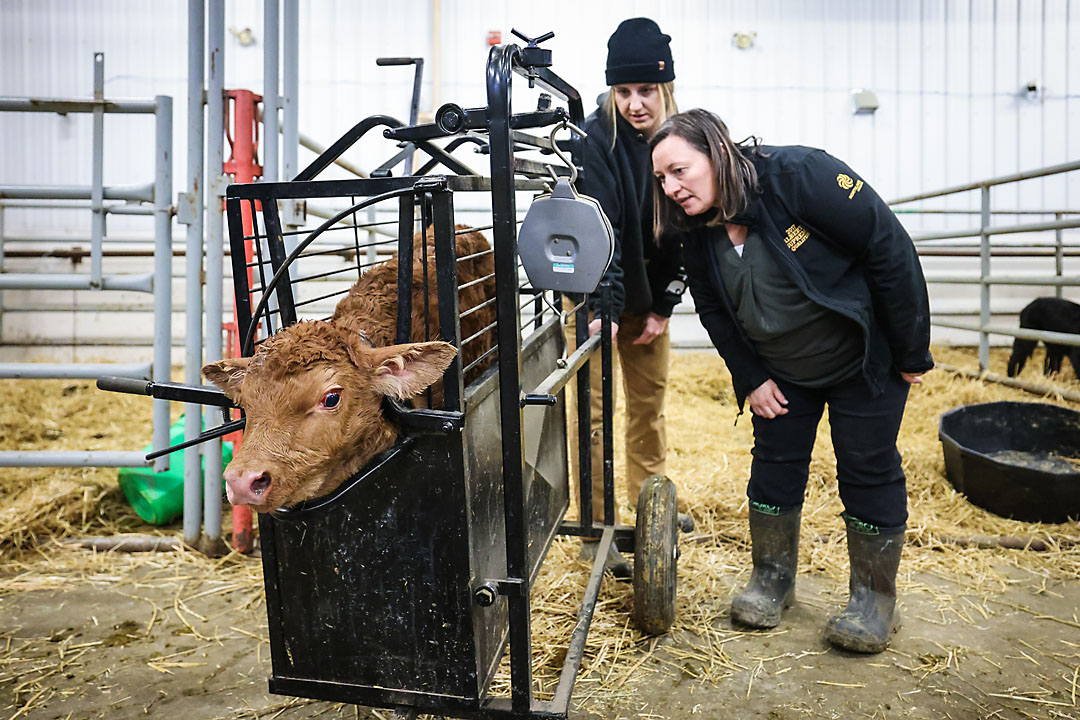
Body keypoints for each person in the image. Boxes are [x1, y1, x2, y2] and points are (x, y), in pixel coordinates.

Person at [649, 109, 933, 653]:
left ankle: (874, 601)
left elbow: (888, 246)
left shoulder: (801, 176)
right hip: (782, 371)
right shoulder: (696, 227)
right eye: (662, 179)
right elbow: (710, 305)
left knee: (867, 467)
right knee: (774, 469)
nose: (671, 188)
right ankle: (772, 581)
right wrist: (751, 377)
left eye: (680, 171)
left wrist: (910, 349)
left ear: (716, 152)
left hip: (860, 358)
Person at [567, 17, 689, 576]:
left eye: (646, 90)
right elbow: (602, 228)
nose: (636, 104)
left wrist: (664, 305)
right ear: (612, 91)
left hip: (647, 301)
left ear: (665, 88)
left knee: (649, 405)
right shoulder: (599, 141)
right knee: (592, 412)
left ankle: (651, 511)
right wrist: (605, 309)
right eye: (624, 91)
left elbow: (690, 228)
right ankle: (596, 528)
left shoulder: (683, 141)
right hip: (599, 296)